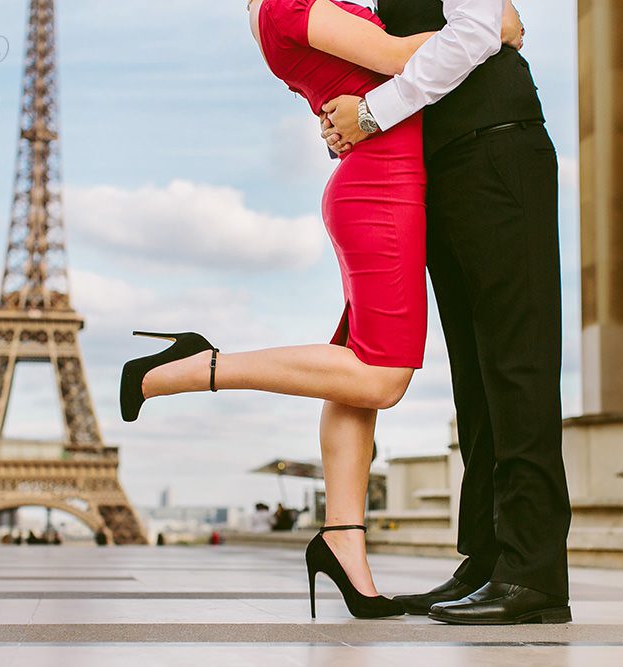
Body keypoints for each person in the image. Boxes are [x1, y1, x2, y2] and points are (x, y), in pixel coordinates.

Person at [118, 0, 523, 619]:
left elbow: (439, 51)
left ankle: (344, 546)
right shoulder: (288, 8)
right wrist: (482, 31)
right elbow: (398, 58)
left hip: (382, 188)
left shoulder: (300, 8)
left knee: (352, 378)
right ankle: (199, 365)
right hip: (380, 194)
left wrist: (477, 32)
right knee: (381, 379)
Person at [320, 0, 573, 625]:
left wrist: (373, 114)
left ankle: (534, 574)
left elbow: (480, 29)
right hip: (445, 164)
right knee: (477, 376)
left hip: (497, 149)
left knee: (517, 364)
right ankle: (489, 558)